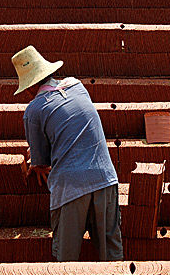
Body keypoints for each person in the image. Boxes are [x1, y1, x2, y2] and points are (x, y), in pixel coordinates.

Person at [11, 45, 123, 262]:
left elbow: (41, 163)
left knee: (67, 261)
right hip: (105, 179)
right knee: (111, 255)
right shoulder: (78, 86)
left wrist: (36, 162)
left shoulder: (33, 110)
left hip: (71, 187)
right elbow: (73, 129)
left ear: (29, 87)